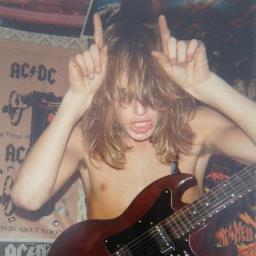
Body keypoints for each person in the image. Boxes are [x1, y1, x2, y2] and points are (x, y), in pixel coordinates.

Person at [11, 10, 256, 225]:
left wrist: (209, 86)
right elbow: (27, 197)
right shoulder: (87, 139)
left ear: (168, 88)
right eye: (124, 96)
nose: (140, 111)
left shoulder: (196, 126)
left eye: (152, 94)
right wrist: (75, 100)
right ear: (106, 94)